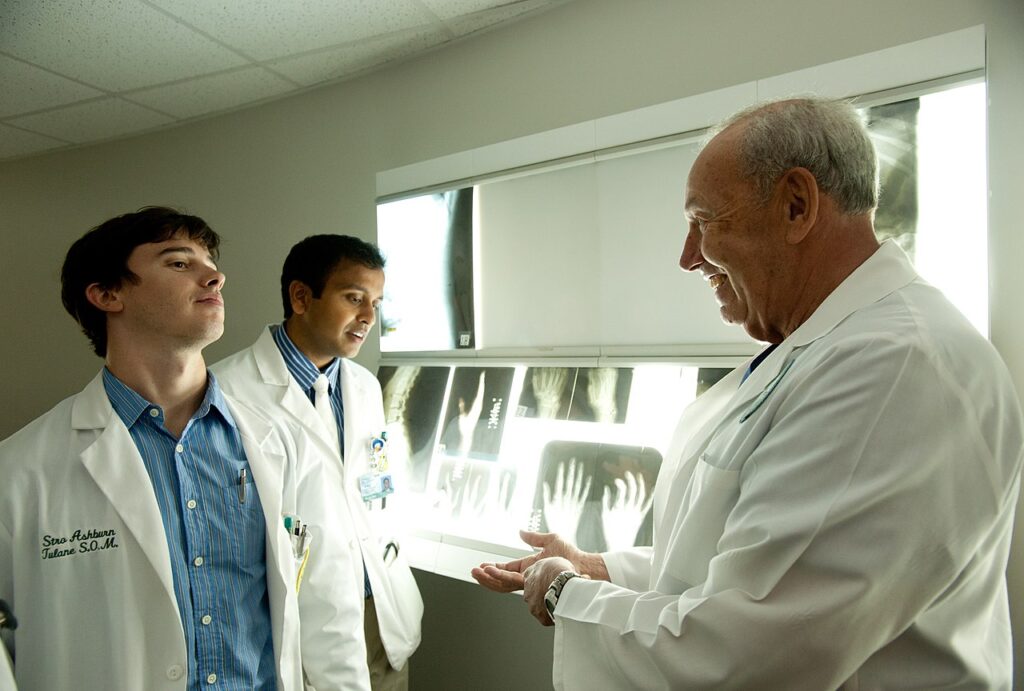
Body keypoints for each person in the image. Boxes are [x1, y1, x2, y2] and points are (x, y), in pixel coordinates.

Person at [472, 98, 1024, 689]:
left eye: (704, 220)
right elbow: (747, 562)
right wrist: (600, 567)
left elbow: (742, 653)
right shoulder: (822, 349)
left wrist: (565, 593)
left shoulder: (896, 367)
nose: (688, 257)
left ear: (796, 205)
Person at [0, 207, 370, 691]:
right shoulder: (20, 470)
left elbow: (330, 612)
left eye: (210, 262)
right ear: (107, 294)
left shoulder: (282, 441)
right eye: (179, 263)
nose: (215, 276)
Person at [213, 234, 423, 691]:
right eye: (354, 298)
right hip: (303, 629)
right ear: (301, 296)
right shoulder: (227, 393)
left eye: (376, 302)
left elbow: (372, 491)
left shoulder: (363, 385)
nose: (369, 317)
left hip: (381, 614)